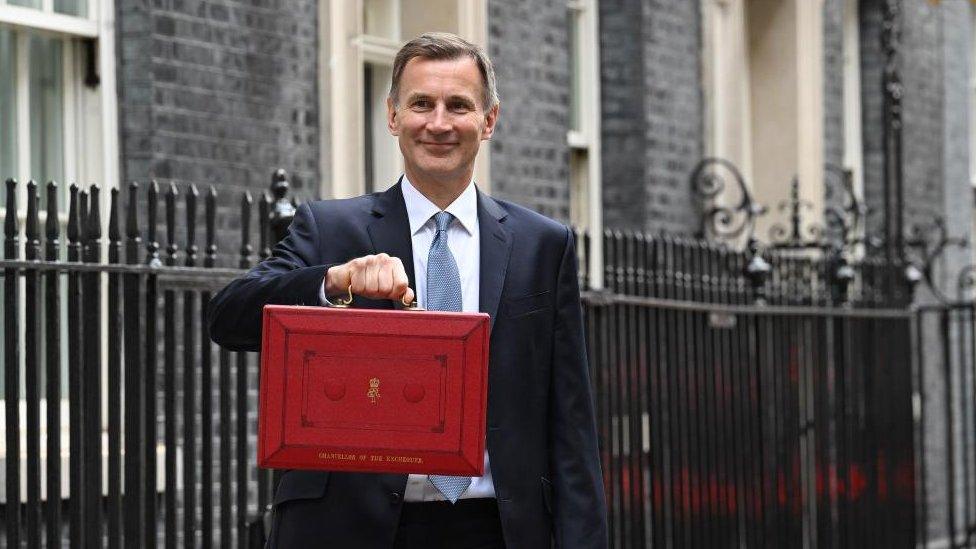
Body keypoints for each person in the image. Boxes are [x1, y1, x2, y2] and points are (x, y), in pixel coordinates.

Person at [207, 32, 607, 549]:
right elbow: (227, 317)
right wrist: (333, 281)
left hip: (497, 528)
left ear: (489, 121)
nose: (438, 123)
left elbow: (571, 421)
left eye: (458, 106)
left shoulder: (543, 245)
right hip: (351, 529)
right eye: (422, 104)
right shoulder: (330, 228)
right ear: (393, 115)